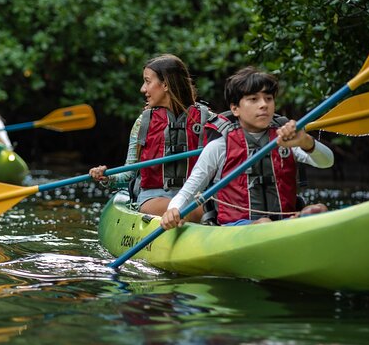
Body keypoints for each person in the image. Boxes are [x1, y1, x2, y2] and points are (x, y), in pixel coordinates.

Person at [161, 66, 334, 230]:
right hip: (236, 228)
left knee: (317, 210)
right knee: (264, 223)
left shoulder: (285, 140)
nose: (264, 105)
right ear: (235, 108)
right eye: (253, 99)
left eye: (268, 98)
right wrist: (173, 210)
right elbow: (189, 190)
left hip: (283, 224)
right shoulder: (220, 146)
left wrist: (306, 142)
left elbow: (327, 162)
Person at [89, 54, 223, 220]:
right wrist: (107, 176)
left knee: (208, 207)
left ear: (165, 84)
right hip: (153, 198)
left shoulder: (208, 120)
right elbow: (129, 175)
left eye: (147, 81)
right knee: (195, 210)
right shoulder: (143, 123)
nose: (143, 89)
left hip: (196, 196)